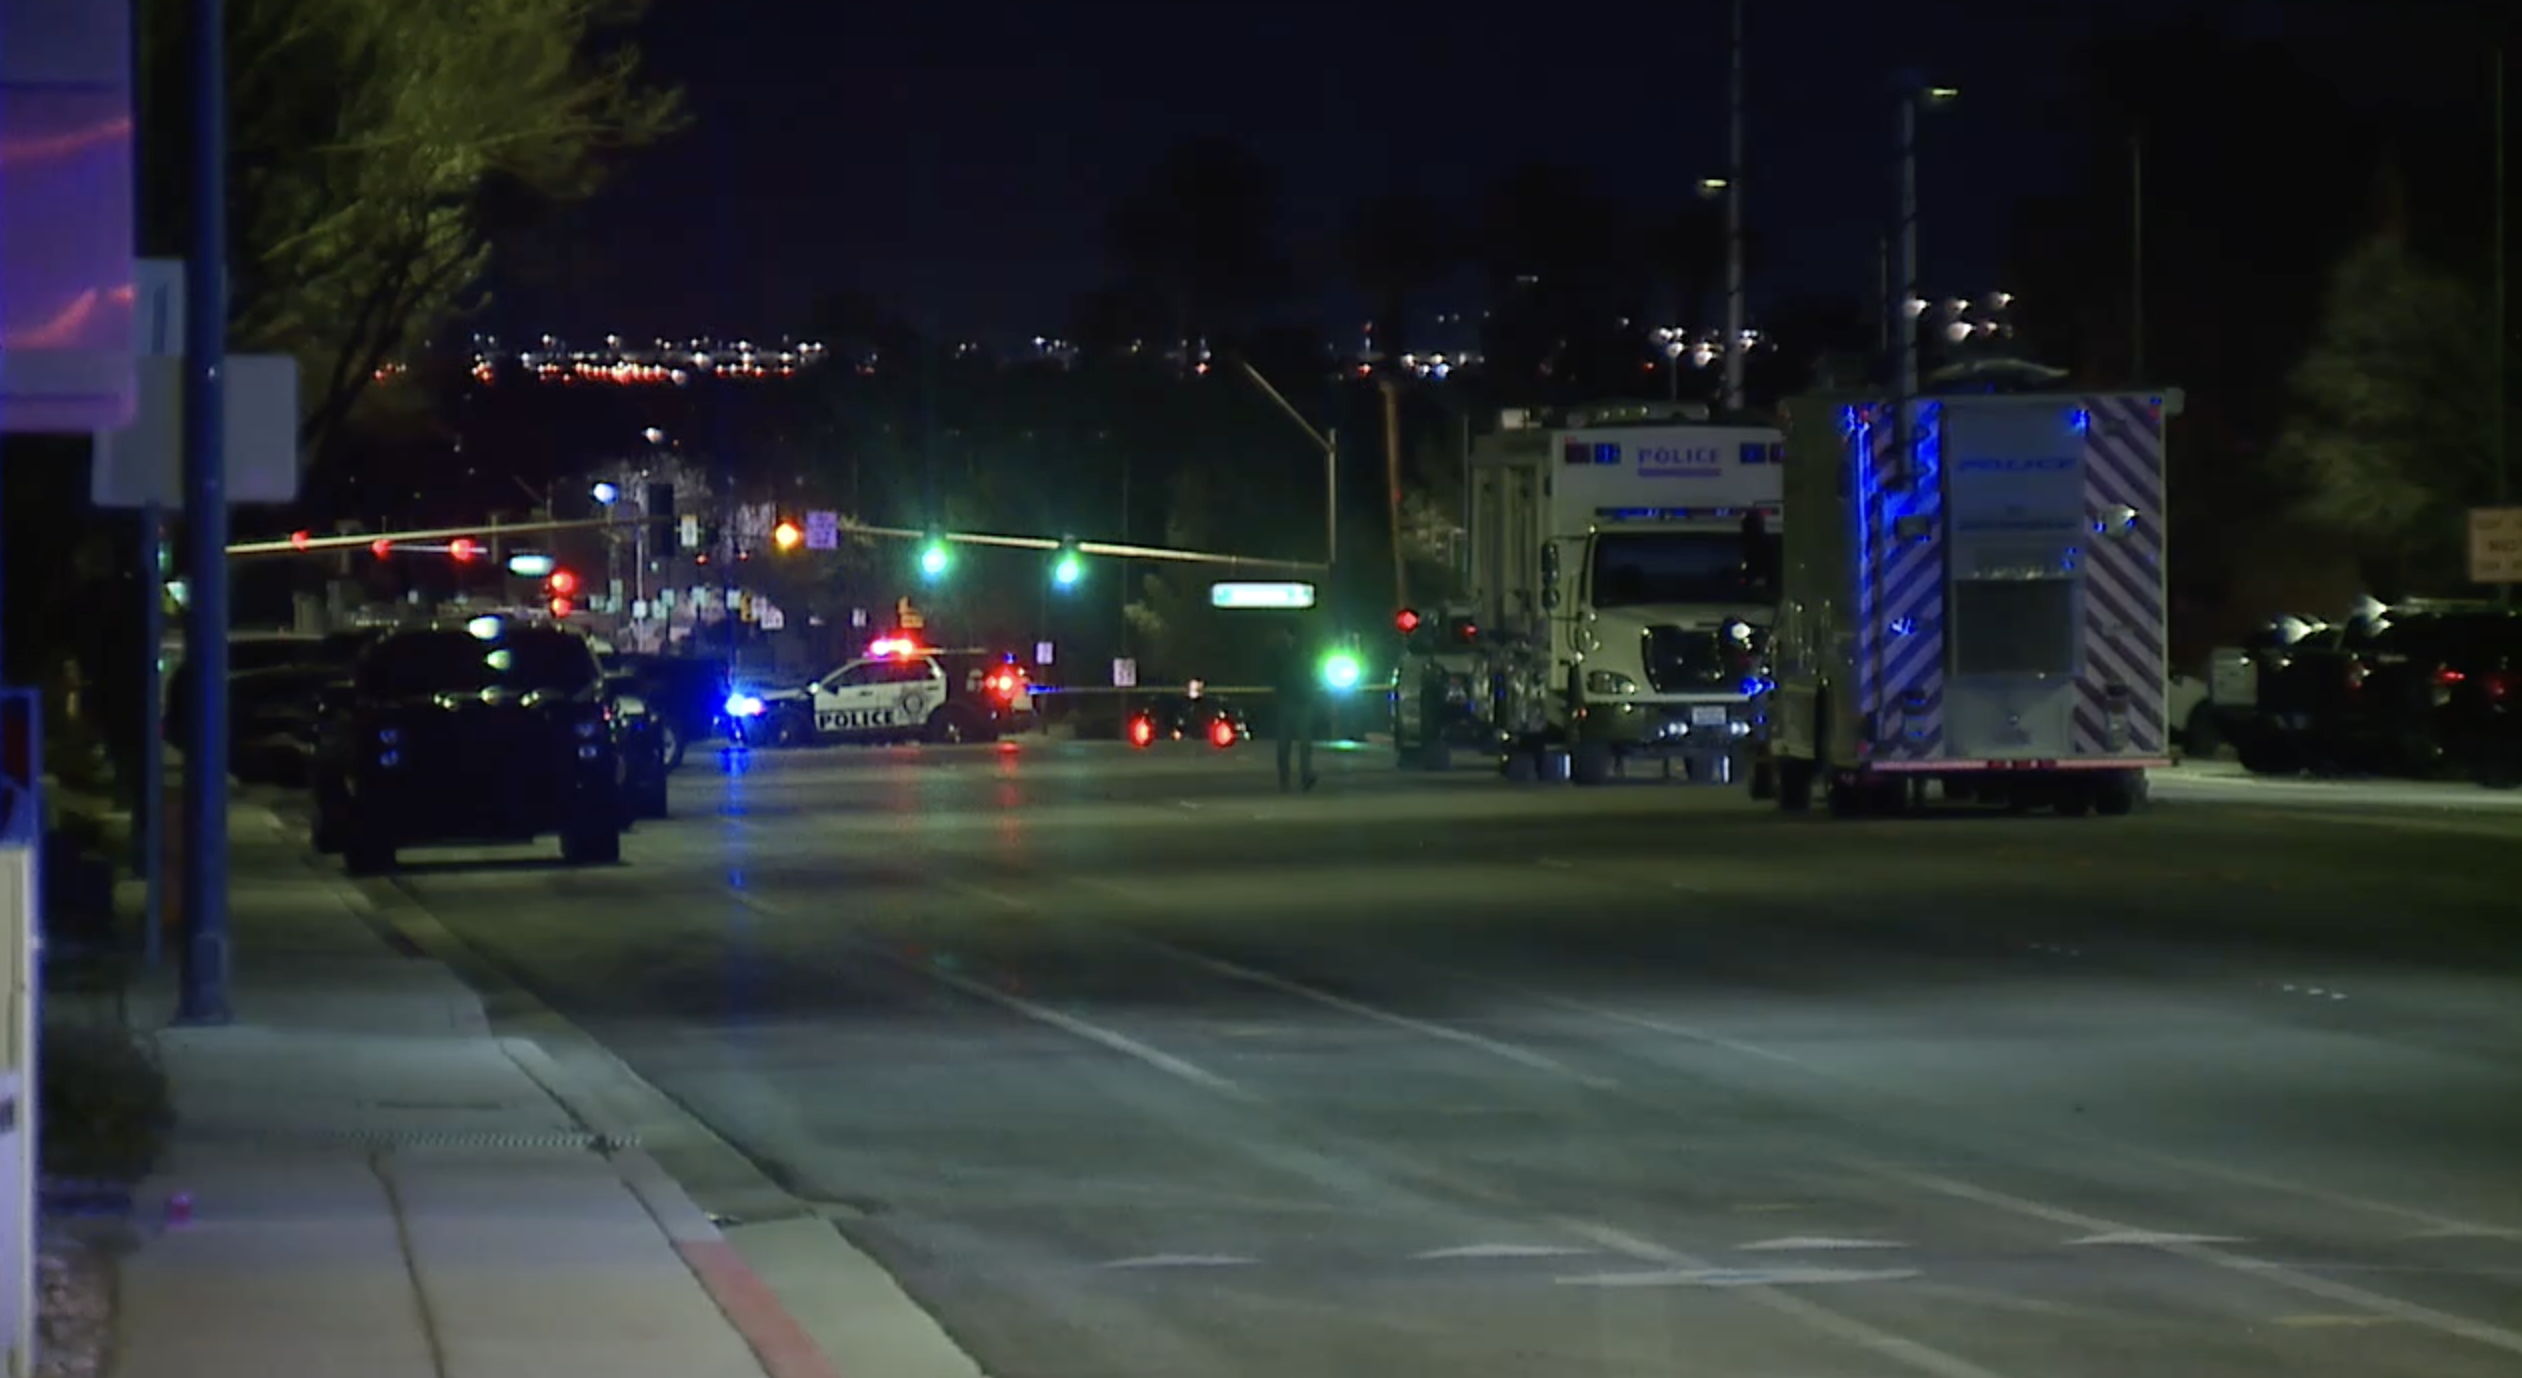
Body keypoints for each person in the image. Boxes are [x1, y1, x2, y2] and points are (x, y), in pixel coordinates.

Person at [1266, 624, 1319, 793]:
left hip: (1296, 700)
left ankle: (1300, 776)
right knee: (1290, 744)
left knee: (1297, 743)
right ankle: (1292, 777)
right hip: (1294, 700)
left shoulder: (1289, 654)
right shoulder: (1293, 654)